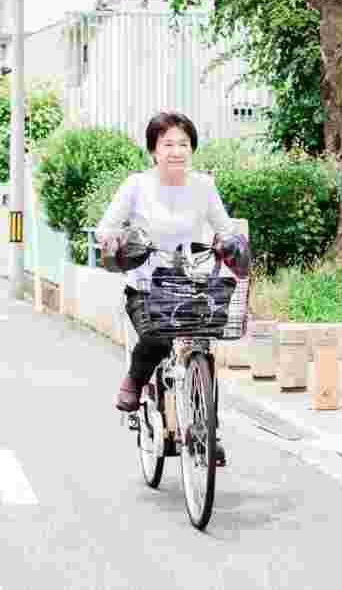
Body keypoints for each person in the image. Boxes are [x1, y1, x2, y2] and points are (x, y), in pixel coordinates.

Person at [96, 111, 233, 461]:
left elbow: (224, 227)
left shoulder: (203, 186)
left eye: (183, 144)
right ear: (154, 150)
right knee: (157, 336)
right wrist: (112, 239)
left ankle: (206, 428)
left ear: (192, 149)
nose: (176, 151)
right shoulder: (137, 186)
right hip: (145, 286)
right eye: (168, 143)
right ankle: (135, 381)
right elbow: (106, 226)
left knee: (202, 346)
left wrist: (229, 243)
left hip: (191, 284)